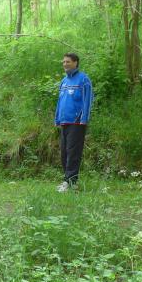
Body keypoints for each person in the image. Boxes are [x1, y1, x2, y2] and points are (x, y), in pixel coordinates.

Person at [54, 52, 93, 192]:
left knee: (73, 153)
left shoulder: (83, 79)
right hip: (64, 122)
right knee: (64, 153)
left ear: (75, 63)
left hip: (77, 122)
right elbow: (60, 102)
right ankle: (68, 181)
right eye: (64, 62)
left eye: (68, 62)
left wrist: (84, 119)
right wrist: (57, 118)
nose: (65, 64)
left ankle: (71, 182)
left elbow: (88, 100)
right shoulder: (64, 81)